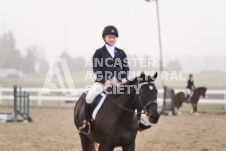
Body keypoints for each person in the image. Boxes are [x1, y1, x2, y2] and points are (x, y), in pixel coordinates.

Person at [79, 25, 151, 134]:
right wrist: (104, 81)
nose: (112, 39)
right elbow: (96, 69)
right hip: (102, 82)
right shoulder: (99, 52)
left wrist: (124, 78)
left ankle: (139, 121)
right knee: (89, 97)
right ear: (104, 38)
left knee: (133, 96)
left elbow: (126, 68)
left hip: (118, 82)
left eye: (114, 37)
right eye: (109, 37)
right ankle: (87, 123)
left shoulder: (121, 52)